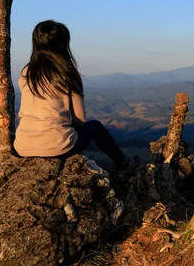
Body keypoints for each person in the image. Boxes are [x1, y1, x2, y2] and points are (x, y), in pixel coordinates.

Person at [14, 20, 134, 171]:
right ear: (63, 45)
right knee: (95, 127)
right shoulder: (66, 73)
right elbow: (80, 119)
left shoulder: (27, 72)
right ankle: (123, 164)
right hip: (57, 147)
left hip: (23, 146)